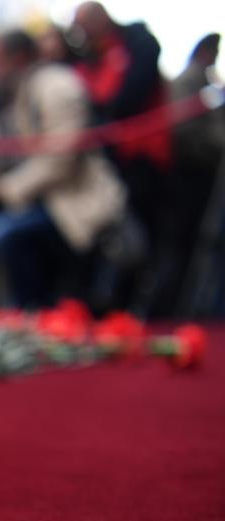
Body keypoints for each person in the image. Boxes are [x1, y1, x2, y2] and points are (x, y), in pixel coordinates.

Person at [0, 30, 125, 308]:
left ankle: (35, 314)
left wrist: (1, 191)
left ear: (17, 58)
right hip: (48, 204)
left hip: (77, 206)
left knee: (6, 232)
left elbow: (60, 161)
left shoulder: (55, 86)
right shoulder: (20, 95)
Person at [71, 2, 170, 311]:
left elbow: (127, 98)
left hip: (144, 157)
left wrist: (103, 110)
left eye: (84, 26)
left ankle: (151, 309)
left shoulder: (137, 44)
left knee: (147, 238)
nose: (81, 34)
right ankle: (117, 307)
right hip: (111, 162)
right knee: (117, 241)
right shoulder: (93, 55)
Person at [168, 34, 225, 315]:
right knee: (190, 244)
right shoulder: (191, 81)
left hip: (200, 172)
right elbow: (188, 131)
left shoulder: (203, 81)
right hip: (192, 174)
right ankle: (185, 309)